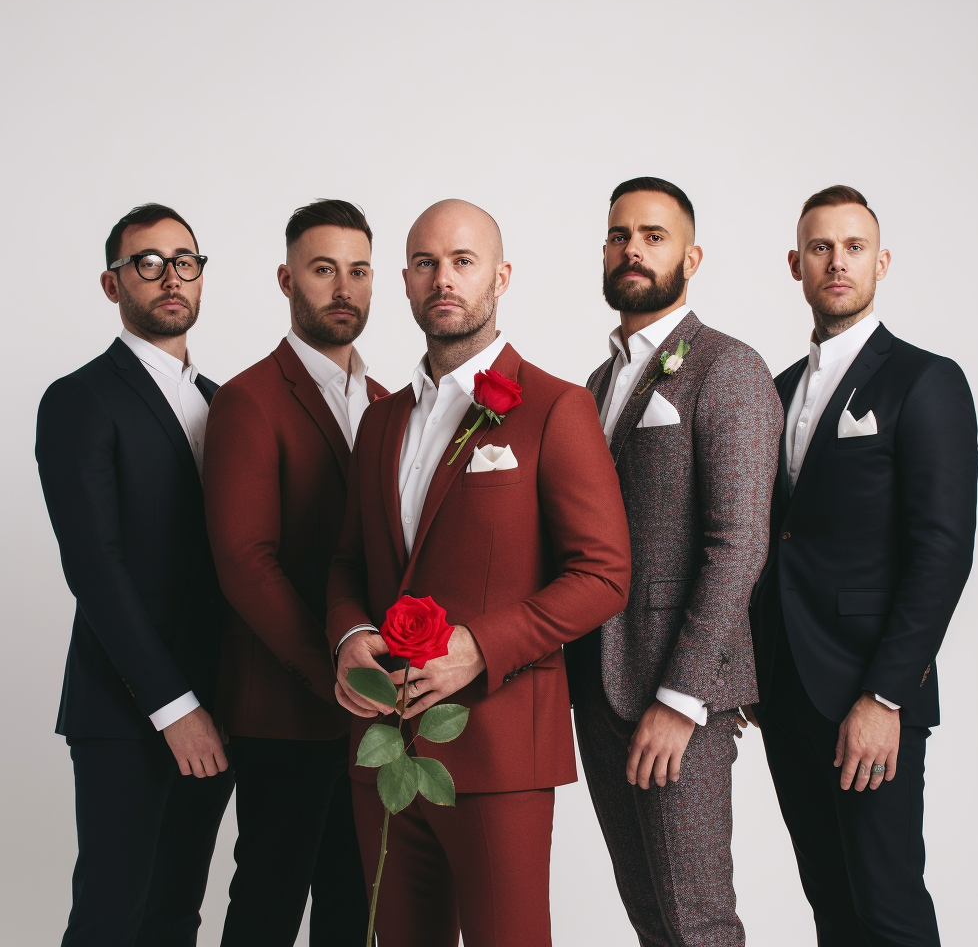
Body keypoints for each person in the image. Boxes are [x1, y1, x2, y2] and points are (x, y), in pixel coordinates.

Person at [326, 199, 631, 947]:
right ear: (403, 282)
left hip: (500, 751)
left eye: (463, 261)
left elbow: (604, 573)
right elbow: (346, 563)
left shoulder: (558, 407)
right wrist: (349, 636)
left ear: (501, 276)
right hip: (385, 749)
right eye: (426, 263)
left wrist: (479, 646)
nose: (444, 279)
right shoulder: (381, 420)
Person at [747, 185, 978, 946]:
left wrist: (886, 696)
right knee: (831, 904)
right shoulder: (775, 391)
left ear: (881, 262)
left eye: (852, 247)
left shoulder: (925, 380)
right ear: (795, 265)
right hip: (787, 690)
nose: (836, 262)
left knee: (886, 906)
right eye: (820, 248)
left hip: (869, 693)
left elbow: (942, 548)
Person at [566, 177, 782, 947]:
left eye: (654, 236)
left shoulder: (729, 367)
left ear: (691, 256)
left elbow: (738, 545)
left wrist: (681, 699)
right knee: (652, 919)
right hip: (597, 684)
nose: (634, 249)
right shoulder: (595, 384)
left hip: (676, 696)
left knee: (697, 922)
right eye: (621, 234)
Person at [36, 203, 234, 947]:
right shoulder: (79, 399)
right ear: (112, 284)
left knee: (176, 914)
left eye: (185, 261)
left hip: (219, 703)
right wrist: (172, 707)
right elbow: (95, 567)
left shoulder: (221, 401)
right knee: (111, 917)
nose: (170, 277)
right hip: (129, 710)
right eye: (147, 263)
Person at [203, 199, 386, 946]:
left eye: (358, 270)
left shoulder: (384, 403)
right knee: (271, 900)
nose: (342, 288)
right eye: (322, 270)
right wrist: (334, 673)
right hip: (283, 705)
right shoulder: (250, 399)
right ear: (286, 280)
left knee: (354, 901)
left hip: (368, 712)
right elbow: (246, 562)